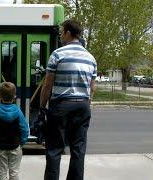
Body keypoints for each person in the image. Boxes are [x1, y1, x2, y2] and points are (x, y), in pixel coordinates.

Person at [40, 19, 97, 180]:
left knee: (54, 149)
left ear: (68, 33)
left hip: (61, 106)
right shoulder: (90, 58)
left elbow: (47, 84)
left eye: (61, 33)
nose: (60, 36)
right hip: (83, 106)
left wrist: (42, 107)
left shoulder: (58, 54)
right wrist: (87, 104)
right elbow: (92, 87)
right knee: (78, 150)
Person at [0, 82, 29, 180]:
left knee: (1, 173)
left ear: (0, 96)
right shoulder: (18, 112)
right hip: (15, 146)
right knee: (14, 173)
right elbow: (25, 129)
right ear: (14, 96)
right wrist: (22, 142)